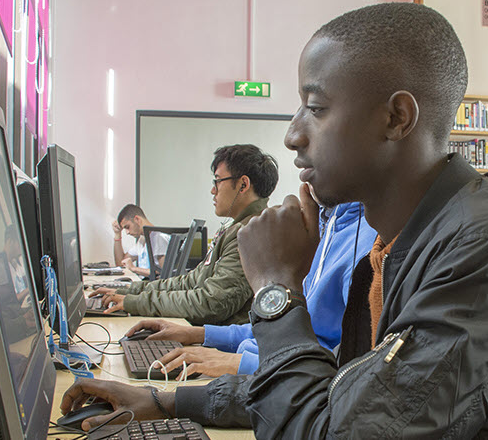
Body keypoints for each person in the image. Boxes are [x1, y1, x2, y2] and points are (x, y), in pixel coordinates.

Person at [62, 3, 488, 437]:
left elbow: (337, 430)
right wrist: (164, 400)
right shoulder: (410, 239)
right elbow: (343, 394)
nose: (292, 134)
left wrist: (275, 288)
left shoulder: (483, 250)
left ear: (396, 118)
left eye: (314, 108)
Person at [124, 202, 377, 378]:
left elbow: (342, 368)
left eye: (218, 180)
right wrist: (198, 335)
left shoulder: (368, 244)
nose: (294, 141)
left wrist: (239, 363)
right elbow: (273, 330)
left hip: (279, 380)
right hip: (264, 369)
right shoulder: (330, 227)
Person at [92, 144, 279, 326]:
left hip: (221, 347)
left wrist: (135, 302)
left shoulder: (250, 234)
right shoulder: (236, 228)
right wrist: (129, 291)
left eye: (217, 181)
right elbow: (190, 281)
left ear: (243, 184)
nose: (213, 190)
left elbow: (211, 304)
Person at [112, 204, 169, 278]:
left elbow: (164, 273)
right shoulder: (142, 240)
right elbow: (121, 263)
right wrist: (117, 234)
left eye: (127, 227)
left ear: (137, 219)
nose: (127, 232)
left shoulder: (159, 238)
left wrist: (134, 269)